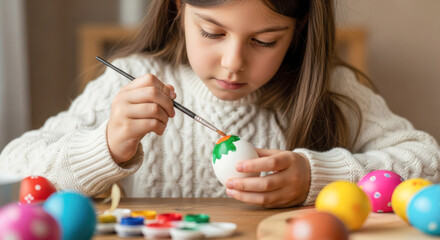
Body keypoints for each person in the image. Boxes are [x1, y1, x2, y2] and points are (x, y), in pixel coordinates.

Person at [1, 0, 439, 208]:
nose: (233, 63)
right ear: (177, 10)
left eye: (265, 41)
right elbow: (12, 173)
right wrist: (106, 147)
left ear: (299, 32)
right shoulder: (132, 80)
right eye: (212, 32)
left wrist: (317, 176)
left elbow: (428, 161)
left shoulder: (332, 89)